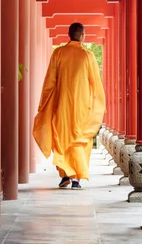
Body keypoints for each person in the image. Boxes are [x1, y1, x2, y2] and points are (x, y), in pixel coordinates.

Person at [33, 22, 106, 189]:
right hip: (83, 106)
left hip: (63, 105)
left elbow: (50, 81)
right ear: (82, 35)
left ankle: (66, 174)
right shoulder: (87, 55)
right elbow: (95, 83)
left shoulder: (58, 53)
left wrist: (44, 103)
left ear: (69, 34)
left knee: (63, 138)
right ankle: (75, 179)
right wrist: (99, 104)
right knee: (79, 139)